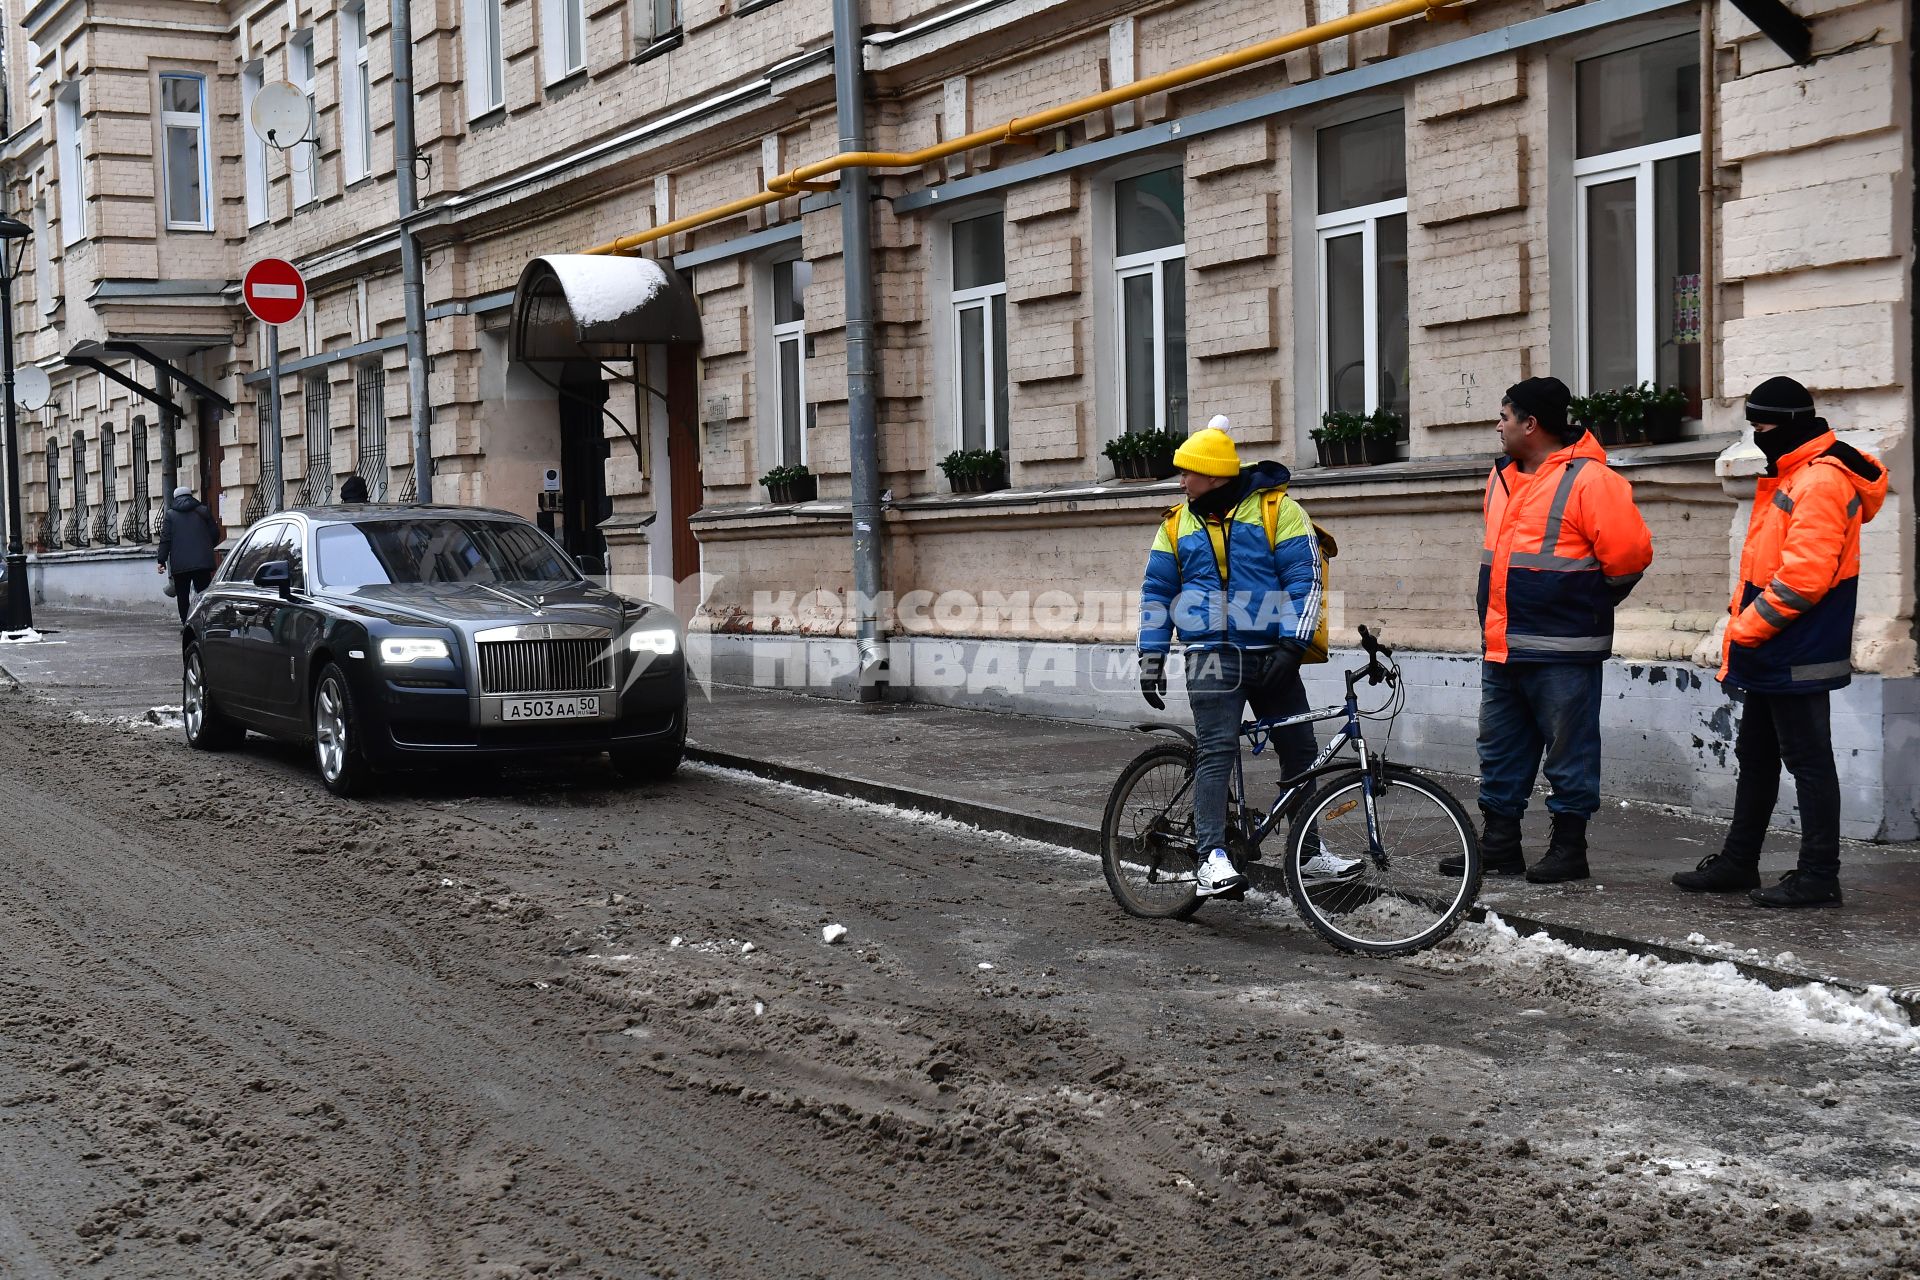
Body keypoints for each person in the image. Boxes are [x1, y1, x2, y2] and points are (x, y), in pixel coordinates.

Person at [1672, 377, 1886, 908]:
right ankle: (1739, 862)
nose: (1758, 436)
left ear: (1790, 424)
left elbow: (1803, 580)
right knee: (1758, 754)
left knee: (1807, 760)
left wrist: (1743, 630)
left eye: (1764, 426)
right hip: (1779, 644)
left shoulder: (1820, 481)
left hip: (1795, 646)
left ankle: (1818, 875)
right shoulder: (1797, 472)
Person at [1138, 415, 1359, 898]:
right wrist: (1150, 656)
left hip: (1273, 655)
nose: (1181, 482)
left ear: (1214, 475)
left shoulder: (1278, 511)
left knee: (1302, 753)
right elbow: (1157, 592)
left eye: (1187, 473)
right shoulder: (1177, 525)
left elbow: (1305, 579)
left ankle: (1308, 851)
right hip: (1211, 656)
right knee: (1218, 750)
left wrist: (1291, 645)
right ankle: (1210, 857)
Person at [1456, 377, 1653, 884]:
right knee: (1499, 749)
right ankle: (1499, 845)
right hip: (1503, 644)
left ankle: (1569, 849)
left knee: (1569, 752)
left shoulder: (1590, 480)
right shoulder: (1501, 478)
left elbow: (1629, 557)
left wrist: (1586, 601)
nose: (1498, 426)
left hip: (1564, 648)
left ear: (1531, 423)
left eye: (1504, 416)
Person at [157, 484, 220, 624]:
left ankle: (186, 624)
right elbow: (215, 533)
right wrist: (207, 547)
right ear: (191, 496)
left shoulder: (171, 515)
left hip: (180, 564)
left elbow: (165, 539)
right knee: (203, 594)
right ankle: (206, 621)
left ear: (175, 498)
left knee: (182, 595)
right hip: (202, 562)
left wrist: (161, 560)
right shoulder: (203, 510)